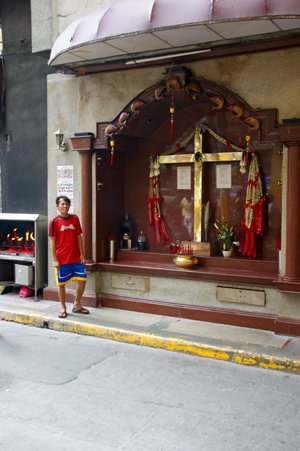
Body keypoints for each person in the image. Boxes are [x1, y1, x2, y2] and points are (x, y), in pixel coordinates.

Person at [49, 196, 89, 318]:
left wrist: (82, 254)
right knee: (61, 284)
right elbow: (52, 241)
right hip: (62, 259)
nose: (65, 206)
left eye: (66, 204)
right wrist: (55, 259)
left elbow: (79, 236)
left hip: (76, 258)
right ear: (57, 206)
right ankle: (63, 307)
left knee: (83, 279)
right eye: (62, 204)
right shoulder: (54, 221)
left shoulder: (75, 219)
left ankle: (77, 304)